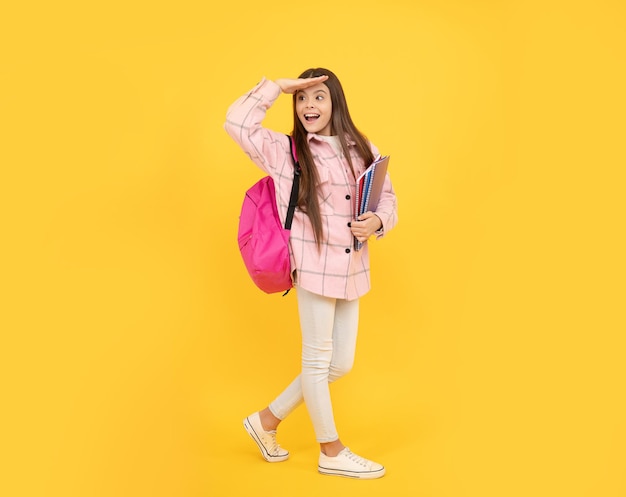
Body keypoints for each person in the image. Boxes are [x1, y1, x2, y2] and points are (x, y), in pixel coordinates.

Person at [224, 68, 398, 479]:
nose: (308, 106)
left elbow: (386, 196)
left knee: (341, 363)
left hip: (353, 268)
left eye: (318, 97)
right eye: (301, 99)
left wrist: (376, 221)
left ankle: (266, 420)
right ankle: (330, 450)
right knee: (318, 360)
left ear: (335, 101)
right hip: (315, 267)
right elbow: (236, 121)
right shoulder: (284, 151)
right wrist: (278, 87)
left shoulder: (362, 147)